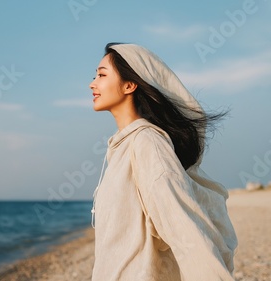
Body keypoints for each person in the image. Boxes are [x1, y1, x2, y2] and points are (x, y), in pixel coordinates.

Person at [89, 43, 238, 281]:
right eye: (94, 76)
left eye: (102, 75)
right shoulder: (120, 148)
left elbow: (184, 228)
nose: (92, 83)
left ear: (129, 84)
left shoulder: (147, 143)